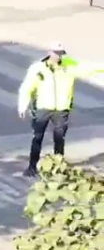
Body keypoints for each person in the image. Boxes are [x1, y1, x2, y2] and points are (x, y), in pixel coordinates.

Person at [16, 44, 103, 177]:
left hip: (61, 109)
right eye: (56, 53)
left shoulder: (69, 67)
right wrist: (22, 105)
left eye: (60, 53)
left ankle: (58, 166)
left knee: (59, 138)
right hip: (43, 107)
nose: (58, 56)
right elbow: (27, 87)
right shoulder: (38, 68)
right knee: (37, 137)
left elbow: (88, 69)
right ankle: (32, 167)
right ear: (49, 52)